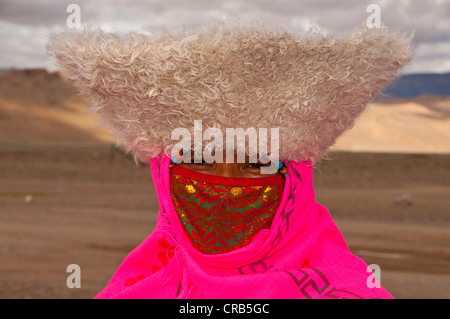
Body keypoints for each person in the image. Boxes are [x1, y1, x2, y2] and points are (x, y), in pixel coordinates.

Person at [47, 19, 413, 298]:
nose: (226, 185)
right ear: (163, 171)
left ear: (295, 180)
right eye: (198, 159)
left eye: (257, 163)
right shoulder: (140, 284)